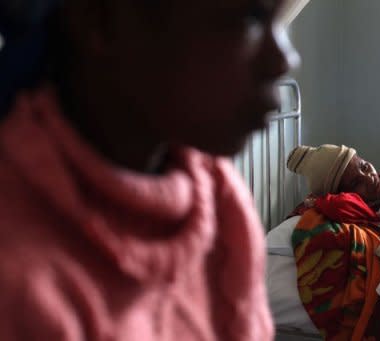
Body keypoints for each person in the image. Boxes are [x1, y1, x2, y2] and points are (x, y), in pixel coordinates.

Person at [0, 0, 299, 340]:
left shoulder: (222, 203)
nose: (285, 59)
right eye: (253, 18)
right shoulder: (21, 281)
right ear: (103, 19)